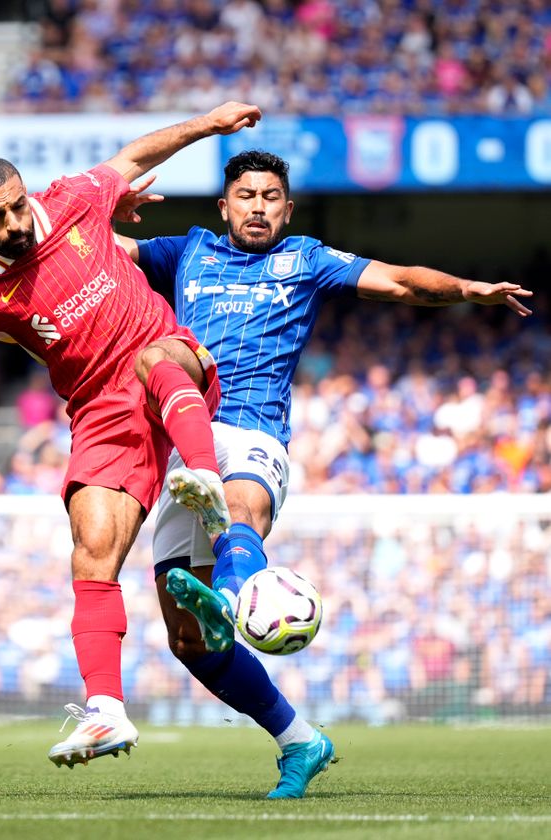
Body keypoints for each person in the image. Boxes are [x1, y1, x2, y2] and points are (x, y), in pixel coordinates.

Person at [116, 149, 533, 798]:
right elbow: (94, 254)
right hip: (184, 437)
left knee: (239, 508)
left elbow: (398, 281)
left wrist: (465, 289)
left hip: (253, 433)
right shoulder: (186, 250)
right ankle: (300, 741)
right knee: (189, 643)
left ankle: (233, 596)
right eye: (246, 196)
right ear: (225, 206)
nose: (258, 207)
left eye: (270, 197)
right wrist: (75, 214)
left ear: (288, 209)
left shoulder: (305, 259)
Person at [0, 103, 262, 768]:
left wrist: (209, 124)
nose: (15, 223)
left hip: (169, 363)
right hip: (100, 411)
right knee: (92, 552)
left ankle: (205, 481)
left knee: (157, 359)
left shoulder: (74, 199)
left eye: (17, 205)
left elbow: (133, 156)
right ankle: (106, 711)